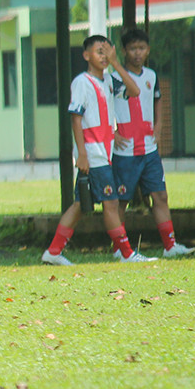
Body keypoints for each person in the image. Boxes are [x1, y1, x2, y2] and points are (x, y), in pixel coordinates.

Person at [41, 35, 155, 265]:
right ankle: (126, 253)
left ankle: (53, 252)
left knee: (81, 205)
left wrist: (116, 64)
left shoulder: (109, 81)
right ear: (86, 56)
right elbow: (76, 118)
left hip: (105, 152)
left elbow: (134, 91)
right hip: (94, 153)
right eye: (99, 52)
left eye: (107, 51)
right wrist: (81, 154)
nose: (104, 56)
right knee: (111, 203)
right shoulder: (82, 82)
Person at [111, 28, 195, 258]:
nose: (137, 53)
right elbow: (106, 107)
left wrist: (158, 126)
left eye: (141, 48)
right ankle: (120, 249)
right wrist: (113, 132)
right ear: (124, 51)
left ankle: (170, 246)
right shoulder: (114, 78)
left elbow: (157, 99)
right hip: (125, 150)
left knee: (160, 196)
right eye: (132, 48)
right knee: (121, 201)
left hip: (149, 148)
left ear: (148, 50)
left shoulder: (151, 75)